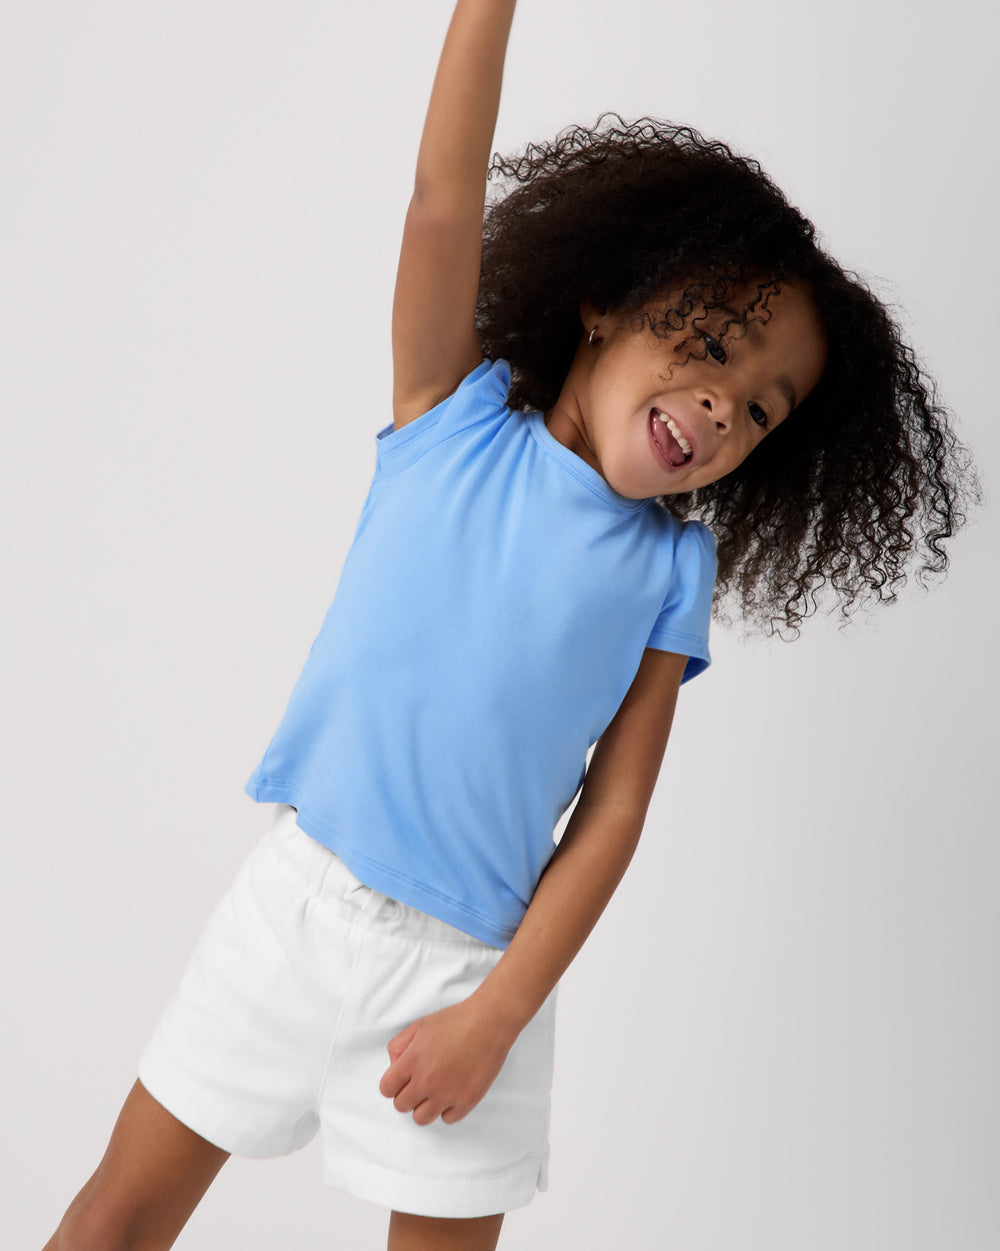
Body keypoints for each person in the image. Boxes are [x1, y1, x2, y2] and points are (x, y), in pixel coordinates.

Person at [43, 2, 975, 1249]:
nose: (723, 404)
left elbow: (615, 812)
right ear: (604, 301)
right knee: (111, 1224)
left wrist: (497, 1015)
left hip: (473, 971)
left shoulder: (670, 568)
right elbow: (441, 203)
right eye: (711, 344)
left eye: (761, 408)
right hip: (294, 912)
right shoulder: (450, 412)